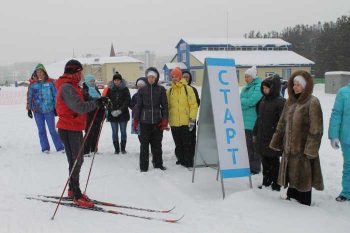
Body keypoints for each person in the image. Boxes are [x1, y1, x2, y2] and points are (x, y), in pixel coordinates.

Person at [55, 59, 109, 208]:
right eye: (80, 72)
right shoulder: (67, 87)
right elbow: (79, 107)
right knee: (76, 161)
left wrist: (100, 100)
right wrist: (95, 104)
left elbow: (85, 98)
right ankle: (76, 193)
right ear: (74, 73)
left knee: (75, 160)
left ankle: (73, 190)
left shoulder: (73, 86)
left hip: (73, 127)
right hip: (69, 128)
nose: (82, 75)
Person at [270, 70, 324, 206]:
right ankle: (291, 198)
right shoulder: (290, 101)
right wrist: (277, 140)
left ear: (305, 86)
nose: (294, 87)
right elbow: (282, 122)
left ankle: (304, 204)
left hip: (303, 150)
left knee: (303, 178)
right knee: (291, 175)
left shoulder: (312, 102)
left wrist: (310, 149)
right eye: (293, 84)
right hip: (289, 149)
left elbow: (316, 129)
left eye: (298, 85)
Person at [253, 76, 285, 191]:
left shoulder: (280, 102)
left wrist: (277, 134)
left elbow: (282, 121)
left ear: (274, 88)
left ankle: (276, 185)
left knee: (274, 162)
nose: (265, 90)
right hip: (262, 136)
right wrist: (255, 131)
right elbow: (259, 117)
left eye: (267, 88)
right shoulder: (263, 100)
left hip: (273, 138)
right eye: (264, 88)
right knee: (265, 162)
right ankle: (266, 182)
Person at [133, 67, 168, 172]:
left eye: (153, 77)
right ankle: (143, 167)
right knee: (144, 146)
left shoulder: (161, 89)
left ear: (156, 78)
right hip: (145, 122)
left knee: (157, 144)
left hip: (157, 121)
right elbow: (138, 106)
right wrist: (136, 119)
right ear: (147, 78)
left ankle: (158, 164)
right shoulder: (142, 90)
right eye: (149, 77)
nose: (151, 79)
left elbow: (165, 106)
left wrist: (165, 119)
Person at [26, 63, 64, 153]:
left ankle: (60, 147)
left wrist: (57, 107)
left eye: (40, 71)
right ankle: (45, 148)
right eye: (37, 71)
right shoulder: (32, 84)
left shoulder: (50, 82)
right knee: (41, 130)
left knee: (52, 129)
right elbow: (29, 96)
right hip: (37, 110)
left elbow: (56, 95)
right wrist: (29, 109)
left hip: (48, 109)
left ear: (44, 72)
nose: (39, 73)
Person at [167, 67, 198, 168]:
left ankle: (188, 161)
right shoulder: (169, 90)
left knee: (187, 143)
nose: (174, 78)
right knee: (178, 143)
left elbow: (193, 105)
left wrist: (192, 119)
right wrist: (166, 120)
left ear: (180, 77)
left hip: (186, 121)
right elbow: (167, 106)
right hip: (174, 122)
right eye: (173, 76)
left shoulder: (188, 89)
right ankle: (180, 159)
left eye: (176, 76)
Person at [329, 81, 350, 202]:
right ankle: (347, 192)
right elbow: (336, 114)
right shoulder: (343, 92)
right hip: (347, 137)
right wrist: (334, 135)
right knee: (348, 166)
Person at [240, 66, 262, 174]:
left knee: (255, 147)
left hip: (254, 122)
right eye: (245, 76)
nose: (246, 78)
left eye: (248, 76)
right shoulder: (245, 88)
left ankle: (255, 168)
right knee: (247, 146)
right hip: (245, 122)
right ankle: (248, 166)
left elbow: (252, 101)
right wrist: (245, 102)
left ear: (253, 77)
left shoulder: (258, 86)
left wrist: (243, 102)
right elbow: (240, 101)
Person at [103, 72, 131, 154]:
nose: (117, 82)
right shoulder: (109, 89)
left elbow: (127, 100)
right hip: (112, 114)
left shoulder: (125, 89)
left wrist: (120, 110)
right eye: (115, 80)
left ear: (121, 81)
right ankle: (116, 149)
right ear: (113, 81)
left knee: (123, 131)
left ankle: (123, 148)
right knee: (114, 132)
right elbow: (106, 101)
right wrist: (111, 110)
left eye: (118, 80)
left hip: (123, 114)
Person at [82, 74, 105, 156]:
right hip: (90, 113)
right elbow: (88, 99)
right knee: (89, 131)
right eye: (91, 81)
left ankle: (94, 149)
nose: (92, 82)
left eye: (93, 81)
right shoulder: (85, 89)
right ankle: (86, 150)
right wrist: (97, 101)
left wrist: (102, 102)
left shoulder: (95, 88)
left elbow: (100, 98)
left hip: (98, 113)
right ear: (87, 81)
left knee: (96, 131)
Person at [182, 71, 200, 160]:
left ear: (190, 79)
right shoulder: (179, 89)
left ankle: (191, 157)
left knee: (191, 139)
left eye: (187, 77)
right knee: (182, 140)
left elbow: (197, 103)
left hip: (191, 118)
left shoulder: (193, 89)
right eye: (183, 77)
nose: (185, 79)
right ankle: (181, 157)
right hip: (181, 119)